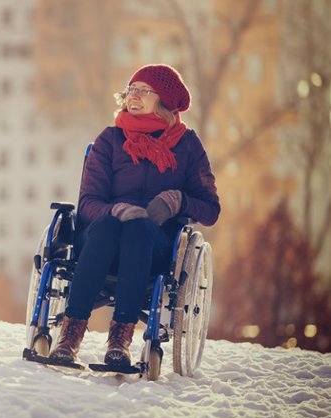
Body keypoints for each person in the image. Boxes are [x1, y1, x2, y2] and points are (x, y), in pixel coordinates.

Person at [48, 64, 220, 368]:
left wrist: (179, 201)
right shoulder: (110, 140)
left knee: (139, 229)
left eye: (144, 90)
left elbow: (210, 209)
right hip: (102, 239)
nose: (133, 96)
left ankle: (120, 341)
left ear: (164, 100)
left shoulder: (188, 146)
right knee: (109, 227)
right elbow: (88, 202)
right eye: (131, 89)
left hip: (153, 246)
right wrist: (113, 210)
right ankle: (69, 336)